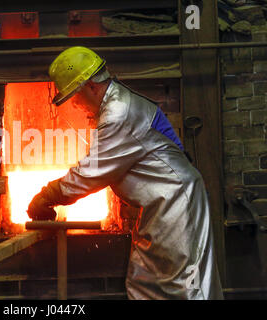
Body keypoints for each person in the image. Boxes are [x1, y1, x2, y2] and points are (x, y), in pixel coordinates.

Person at [27, 46, 223, 300]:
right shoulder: (115, 105)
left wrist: (48, 195)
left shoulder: (119, 111)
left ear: (91, 87)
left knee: (185, 285)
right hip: (159, 205)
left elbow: (93, 172)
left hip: (176, 203)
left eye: (75, 96)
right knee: (146, 282)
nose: (75, 105)